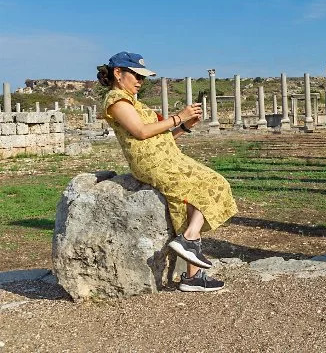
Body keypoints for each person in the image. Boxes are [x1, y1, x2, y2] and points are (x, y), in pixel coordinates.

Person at [97, 52, 238, 292]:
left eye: (143, 76)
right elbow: (141, 132)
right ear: (118, 73)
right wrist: (177, 117)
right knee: (215, 182)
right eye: (136, 75)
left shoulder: (133, 101)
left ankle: (192, 276)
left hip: (164, 156)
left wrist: (184, 126)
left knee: (187, 202)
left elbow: (159, 137)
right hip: (153, 162)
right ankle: (189, 239)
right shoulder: (117, 100)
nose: (140, 80)